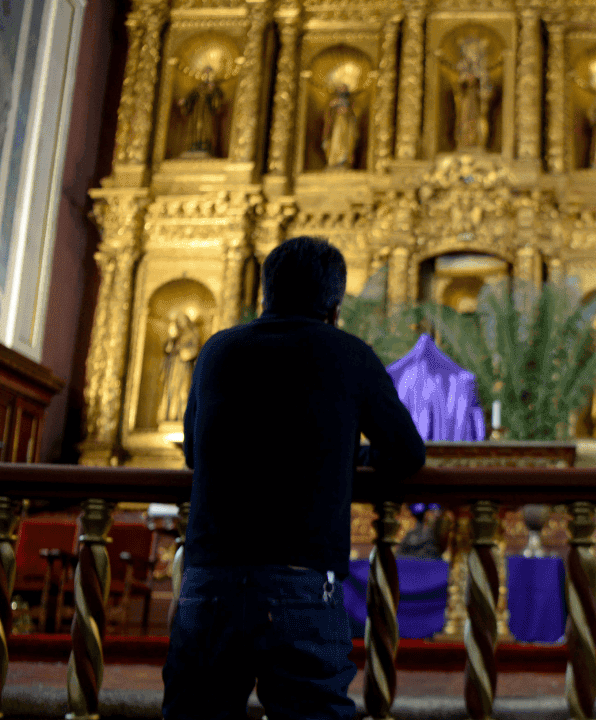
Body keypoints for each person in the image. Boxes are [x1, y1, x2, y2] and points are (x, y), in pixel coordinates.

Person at [163, 236, 426, 720]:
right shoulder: (349, 354)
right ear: (334, 303)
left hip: (209, 581)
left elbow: (196, 455)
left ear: (265, 293)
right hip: (300, 585)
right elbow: (408, 453)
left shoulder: (218, 350)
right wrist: (347, 457)